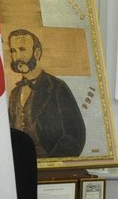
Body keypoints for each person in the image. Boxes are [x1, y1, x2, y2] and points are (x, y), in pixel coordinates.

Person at [5, 28, 86, 158]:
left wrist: (51, 164)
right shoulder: (15, 93)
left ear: (36, 53)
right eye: (13, 51)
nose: (17, 57)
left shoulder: (57, 88)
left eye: (22, 49)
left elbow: (74, 137)